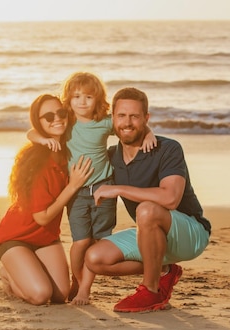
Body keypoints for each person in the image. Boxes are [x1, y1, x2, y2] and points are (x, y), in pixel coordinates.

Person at [27, 72, 156, 305]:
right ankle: (76, 279)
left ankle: (85, 288)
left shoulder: (104, 122)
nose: (82, 102)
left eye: (88, 96)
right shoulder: (67, 123)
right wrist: (43, 140)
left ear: (98, 99)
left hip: (103, 188)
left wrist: (149, 133)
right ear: (68, 98)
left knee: (98, 242)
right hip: (76, 192)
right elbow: (31, 131)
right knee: (80, 242)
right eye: (76, 96)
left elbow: (128, 126)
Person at [85, 87, 211, 313]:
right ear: (112, 119)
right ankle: (164, 271)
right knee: (95, 258)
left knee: (146, 210)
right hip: (149, 233)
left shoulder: (168, 148)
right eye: (121, 116)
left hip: (188, 232)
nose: (127, 122)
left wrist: (119, 189)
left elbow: (170, 199)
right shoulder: (111, 156)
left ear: (146, 118)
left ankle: (151, 291)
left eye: (135, 116)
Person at [0, 94, 94, 305]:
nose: (56, 119)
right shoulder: (36, 163)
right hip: (16, 236)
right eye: (48, 116)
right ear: (39, 122)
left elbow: (99, 132)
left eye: (60, 113)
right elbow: (43, 217)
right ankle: (9, 275)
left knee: (59, 295)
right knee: (40, 295)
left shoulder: (70, 148)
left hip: (45, 238)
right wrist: (72, 186)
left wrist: (146, 134)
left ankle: (27, 270)